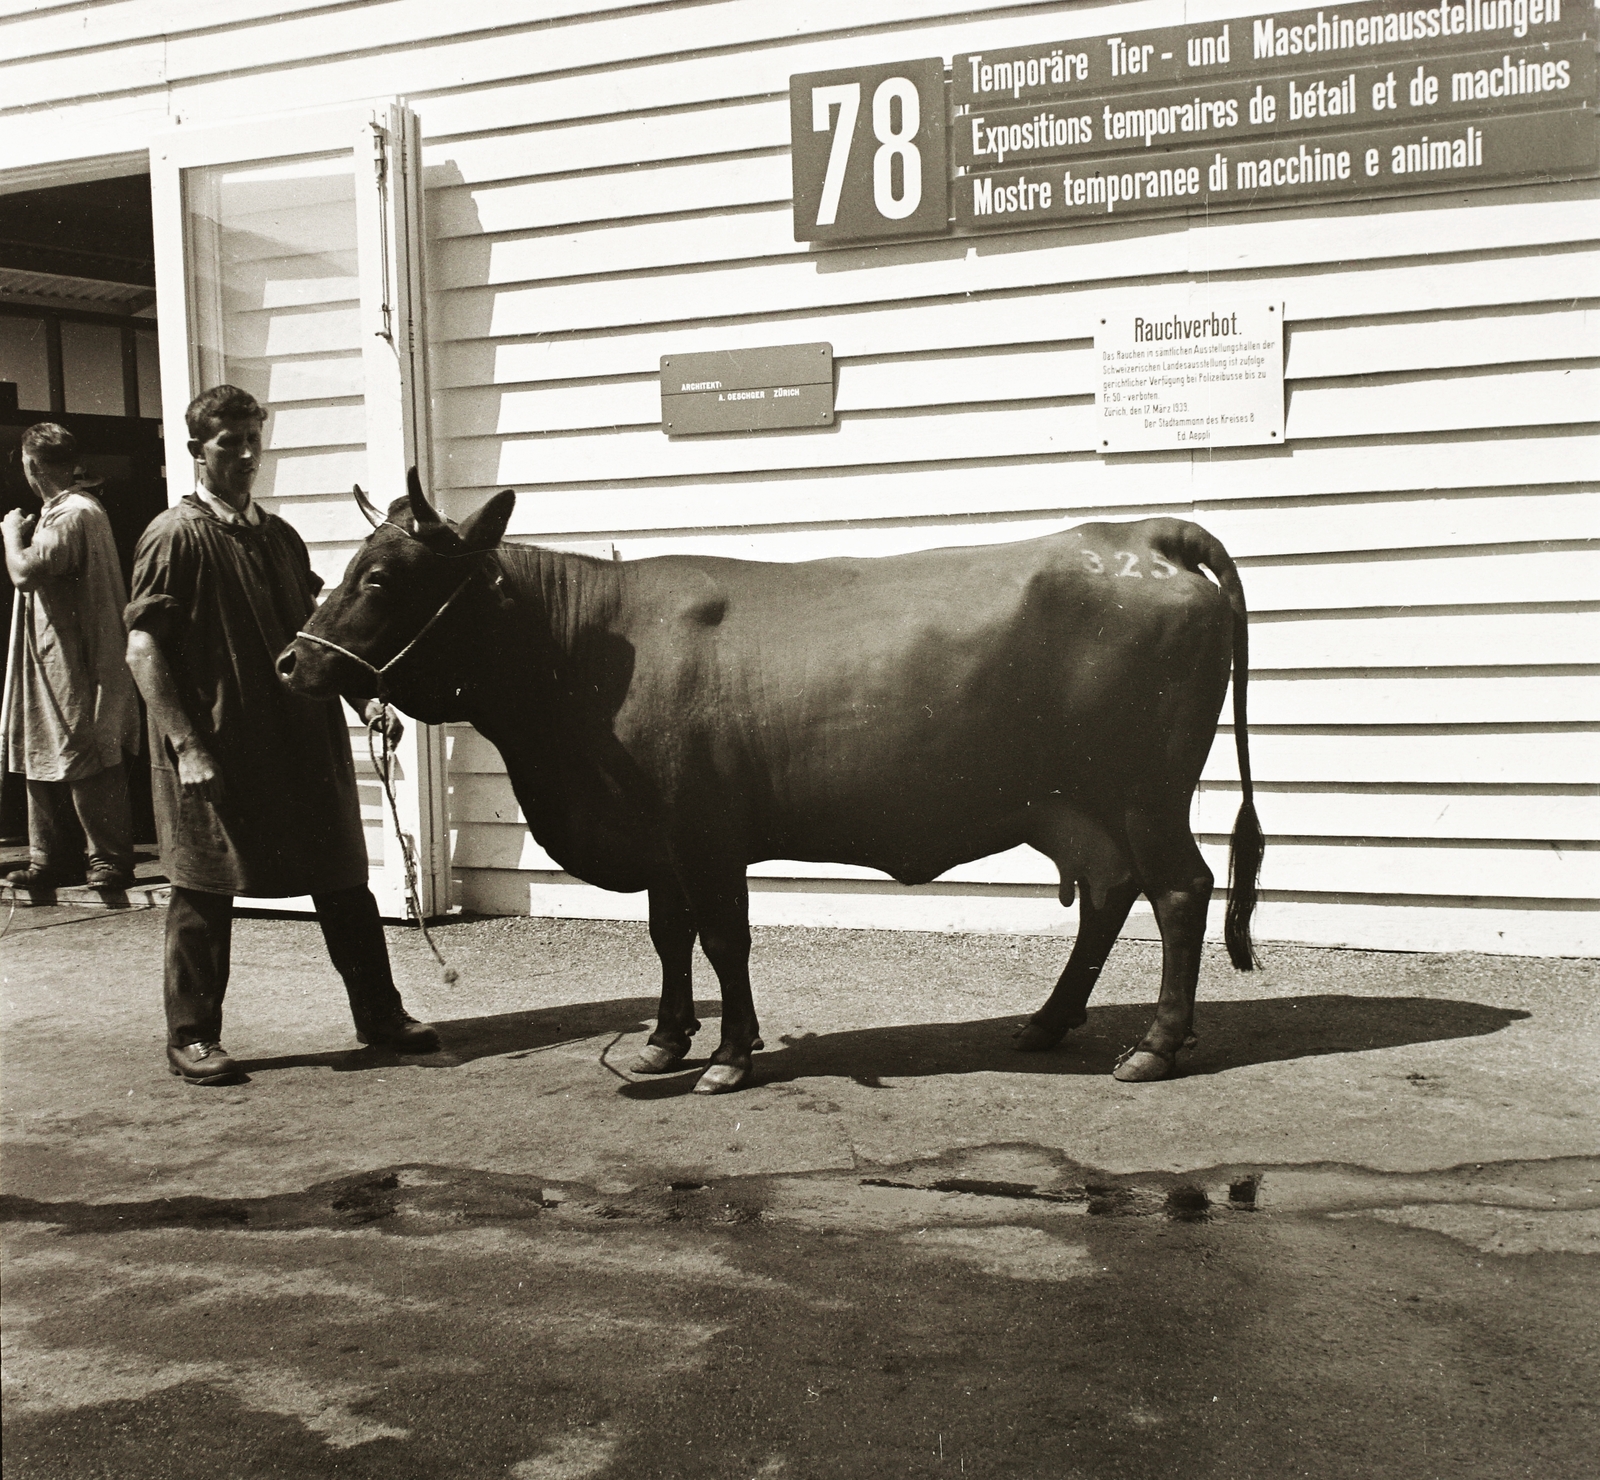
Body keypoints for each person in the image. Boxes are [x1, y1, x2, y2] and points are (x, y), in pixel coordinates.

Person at [124, 385, 438, 1085]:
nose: (243, 455)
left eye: (251, 442)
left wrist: (369, 705)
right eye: (227, 444)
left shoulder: (278, 537)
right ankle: (192, 1037)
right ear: (196, 452)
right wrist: (189, 747)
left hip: (301, 740)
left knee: (343, 881)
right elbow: (143, 652)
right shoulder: (174, 536)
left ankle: (379, 1015)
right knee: (203, 891)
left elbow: (323, 637)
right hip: (219, 747)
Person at [2, 424, 140, 891]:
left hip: (77, 654)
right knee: (42, 744)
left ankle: (109, 859)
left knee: (85, 747)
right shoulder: (59, 512)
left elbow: (24, 573)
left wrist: (8, 534)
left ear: (32, 464)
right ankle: (50, 859)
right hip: (52, 653)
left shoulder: (73, 513)